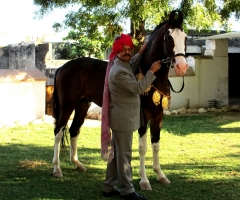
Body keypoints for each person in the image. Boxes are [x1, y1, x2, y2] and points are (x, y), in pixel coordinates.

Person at [101, 34, 161, 200]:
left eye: (129, 49)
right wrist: (151, 71)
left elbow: (131, 64)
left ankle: (109, 186)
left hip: (122, 118)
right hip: (123, 120)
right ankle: (127, 190)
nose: (127, 52)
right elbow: (138, 88)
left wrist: (140, 53)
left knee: (116, 156)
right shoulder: (119, 72)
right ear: (117, 51)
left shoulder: (120, 64)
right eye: (123, 50)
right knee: (125, 156)